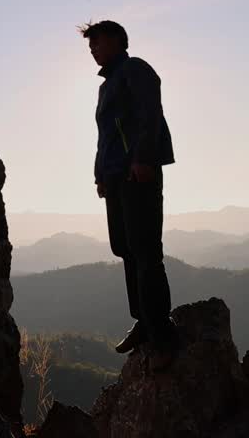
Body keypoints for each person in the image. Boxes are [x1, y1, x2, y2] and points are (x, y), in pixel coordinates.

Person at [81, 20, 179, 362]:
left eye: (97, 42)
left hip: (138, 172)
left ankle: (161, 335)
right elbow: (105, 135)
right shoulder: (106, 86)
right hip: (117, 176)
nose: (92, 49)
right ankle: (143, 321)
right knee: (124, 247)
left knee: (145, 249)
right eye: (90, 45)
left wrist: (143, 158)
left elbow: (151, 115)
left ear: (117, 42)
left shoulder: (135, 70)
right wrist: (100, 175)